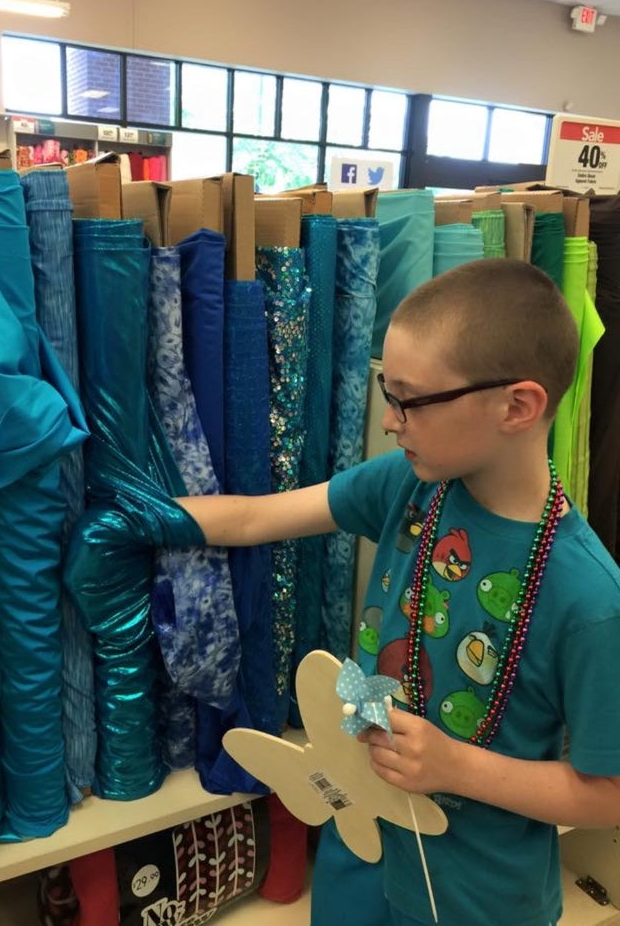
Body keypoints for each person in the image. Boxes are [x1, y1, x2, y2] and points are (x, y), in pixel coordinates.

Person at [176, 258, 620, 926]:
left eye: (409, 399)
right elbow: (256, 517)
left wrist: (454, 766)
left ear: (518, 405)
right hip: (359, 847)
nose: (389, 420)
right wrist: (139, 517)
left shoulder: (590, 598)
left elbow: (608, 793)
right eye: (389, 390)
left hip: (479, 898)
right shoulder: (408, 487)